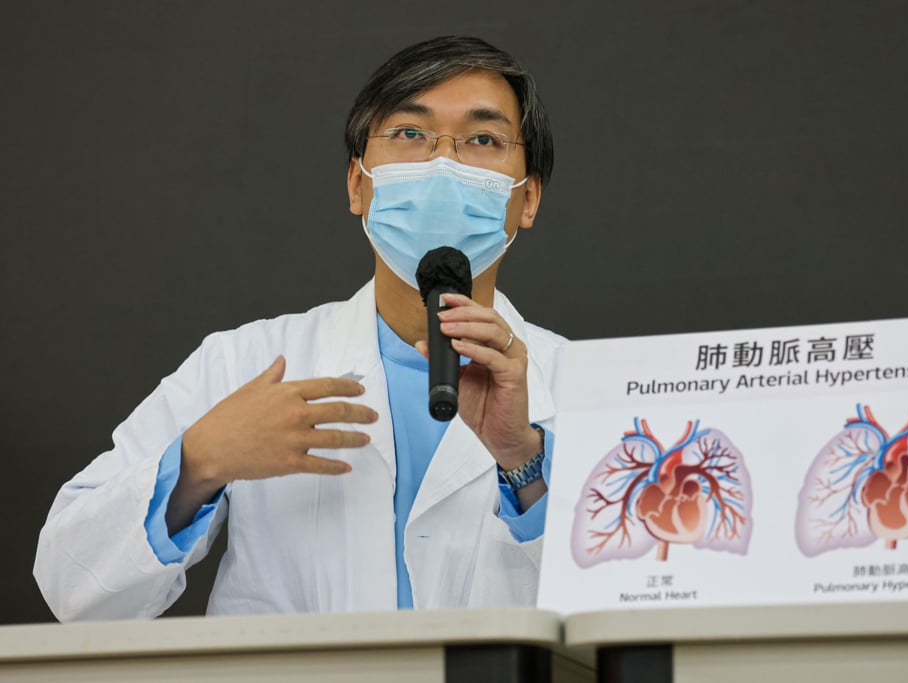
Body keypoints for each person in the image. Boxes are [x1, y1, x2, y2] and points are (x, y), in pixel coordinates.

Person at [34, 35, 563, 621]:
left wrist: (524, 463)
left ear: (528, 196)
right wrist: (199, 462)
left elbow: (646, 598)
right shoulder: (247, 363)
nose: (443, 163)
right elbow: (71, 587)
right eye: (410, 134)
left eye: (483, 139)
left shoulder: (585, 386)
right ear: (358, 185)